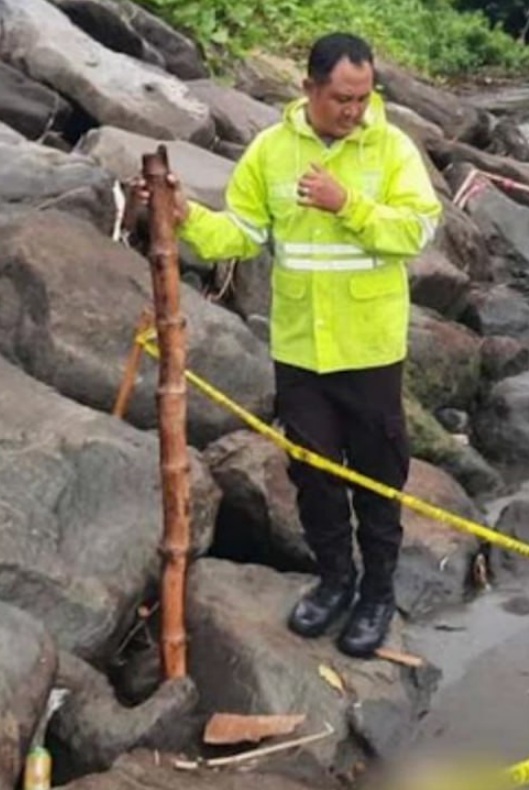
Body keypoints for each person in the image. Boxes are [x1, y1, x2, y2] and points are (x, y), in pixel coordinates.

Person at [133, 32, 442, 657]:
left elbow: (415, 231)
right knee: (312, 475)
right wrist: (185, 216)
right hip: (301, 349)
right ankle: (335, 581)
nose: (354, 110)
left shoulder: (391, 148)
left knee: (379, 477)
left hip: (371, 349)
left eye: (363, 97)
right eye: (341, 99)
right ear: (309, 90)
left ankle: (378, 592)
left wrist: (347, 203)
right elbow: (240, 235)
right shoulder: (272, 151)